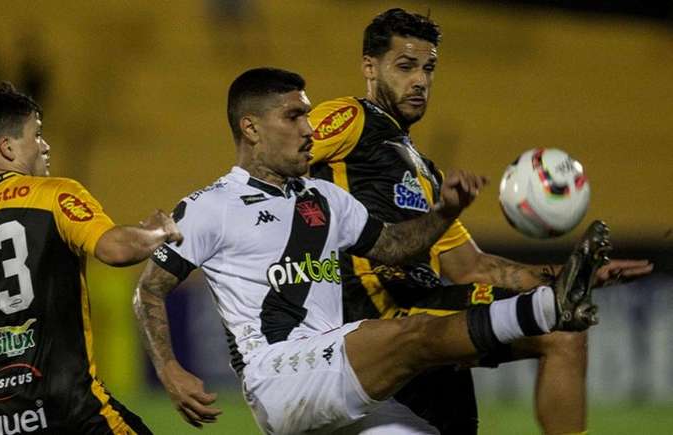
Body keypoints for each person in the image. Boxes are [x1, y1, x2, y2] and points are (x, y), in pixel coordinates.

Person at [132, 67, 611, 434]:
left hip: (338, 380)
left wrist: (445, 212)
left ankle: (551, 305)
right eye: (294, 116)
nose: (308, 129)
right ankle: (550, 307)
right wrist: (170, 370)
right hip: (280, 375)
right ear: (251, 127)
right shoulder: (210, 206)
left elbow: (395, 248)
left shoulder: (326, 199)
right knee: (413, 337)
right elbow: (149, 290)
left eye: (307, 113)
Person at [307, 9, 654, 434]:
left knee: (562, 325)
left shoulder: (426, 173)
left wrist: (575, 276)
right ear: (369, 67)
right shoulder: (351, 119)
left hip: (424, 307)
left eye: (428, 68)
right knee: (559, 331)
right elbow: (278, 158)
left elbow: (473, 268)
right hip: (374, 314)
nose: (420, 80)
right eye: (405, 66)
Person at [0, 83, 182, 434]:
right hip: (70, 412)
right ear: (7, 147)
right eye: (37, 134)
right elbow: (115, 249)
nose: (45, 145)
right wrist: (161, 232)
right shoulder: (54, 196)